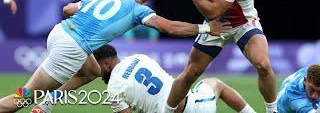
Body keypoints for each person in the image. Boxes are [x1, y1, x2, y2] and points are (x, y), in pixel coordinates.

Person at [0, 0, 229, 112]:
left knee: (92, 71)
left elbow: (67, 9)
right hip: (72, 48)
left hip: (59, 33)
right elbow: (169, 27)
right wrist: (206, 28)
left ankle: (49, 101)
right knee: (24, 97)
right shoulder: (135, 7)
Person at [128, 0, 277, 113]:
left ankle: (272, 110)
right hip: (215, 26)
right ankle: (167, 111)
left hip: (243, 24)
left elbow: (213, 11)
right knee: (190, 74)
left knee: (263, 65)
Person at [33, 44, 256, 113]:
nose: (97, 73)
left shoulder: (112, 90)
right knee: (216, 84)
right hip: (198, 106)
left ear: (107, 63)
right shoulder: (140, 57)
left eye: (99, 68)